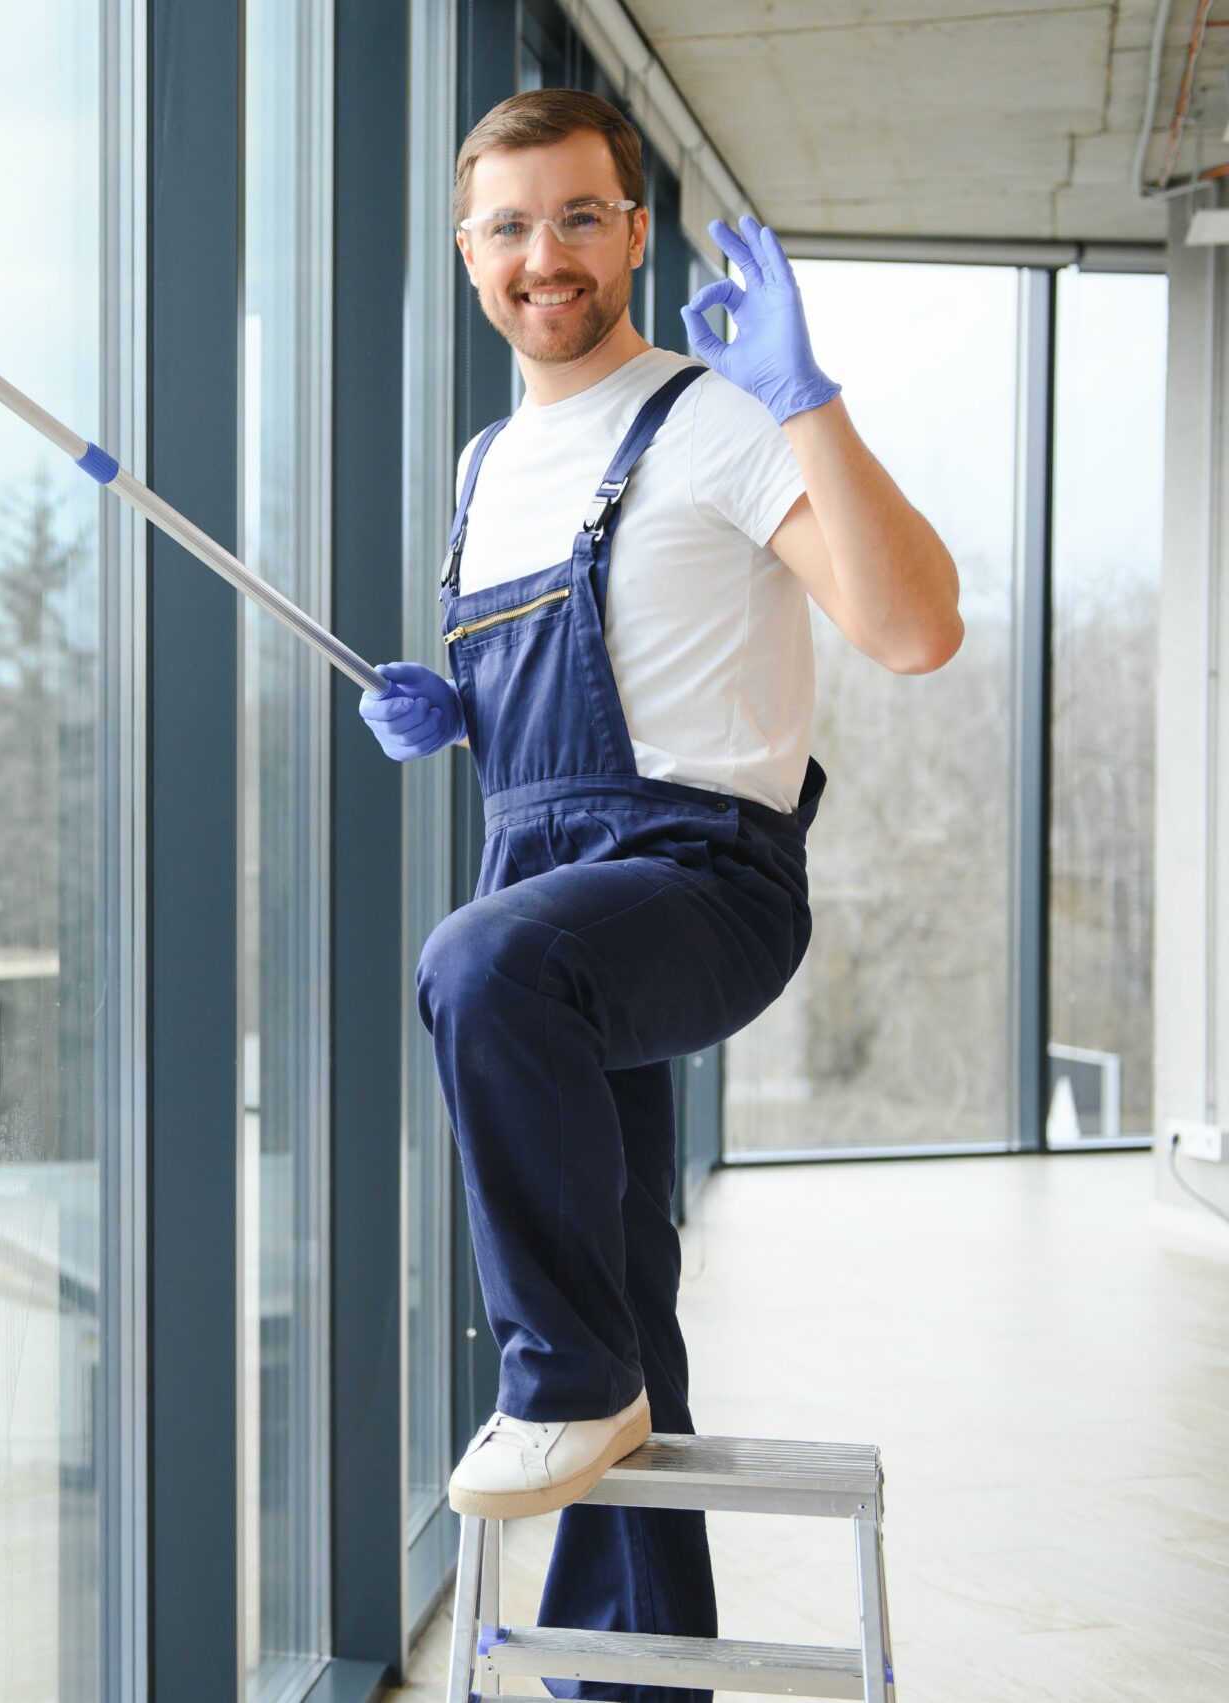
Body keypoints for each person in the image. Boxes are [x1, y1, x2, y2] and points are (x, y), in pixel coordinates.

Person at [360, 89, 961, 1695]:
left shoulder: (715, 420)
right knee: (626, 1296)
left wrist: (808, 402)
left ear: (633, 232)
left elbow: (913, 632)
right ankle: (635, 1675)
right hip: (545, 884)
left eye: (576, 217)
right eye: (508, 225)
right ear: (471, 251)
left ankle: (556, 1376)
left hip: (700, 880)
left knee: (480, 971)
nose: (541, 255)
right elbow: (620, 665)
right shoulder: (490, 464)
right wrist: (459, 711)